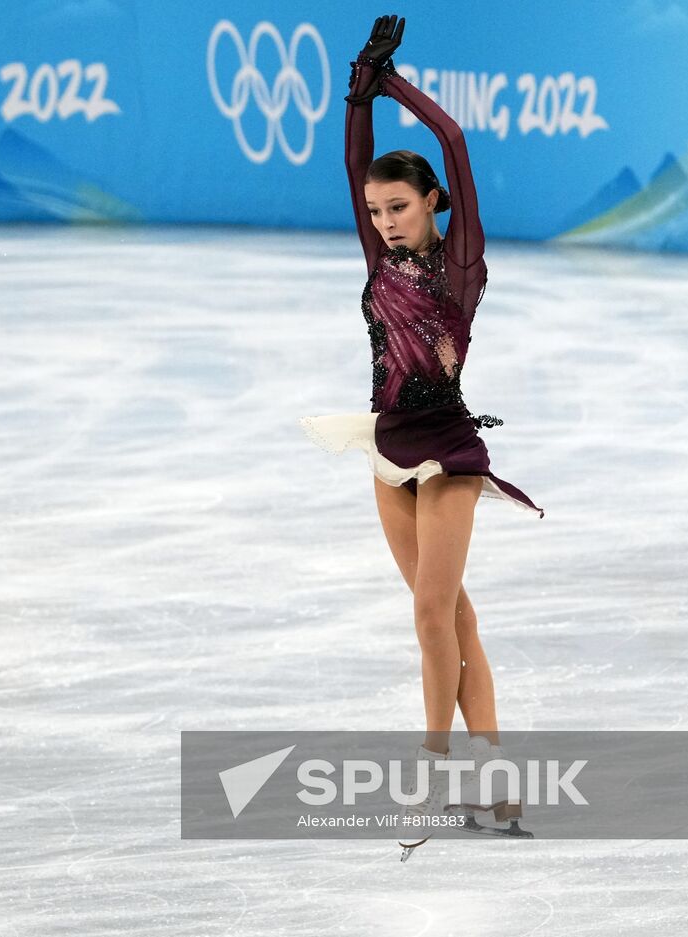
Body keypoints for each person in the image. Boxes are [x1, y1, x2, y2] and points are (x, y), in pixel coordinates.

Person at [298, 14, 540, 857]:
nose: (387, 220)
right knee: (453, 619)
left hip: (449, 452)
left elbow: (456, 135)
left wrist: (392, 84)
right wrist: (357, 90)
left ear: (433, 201)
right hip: (388, 448)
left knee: (434, 614)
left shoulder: (461, 260)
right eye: (375, 210)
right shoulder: (378, 259)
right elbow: (351, 152)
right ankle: (498, 778)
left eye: (399, 206)